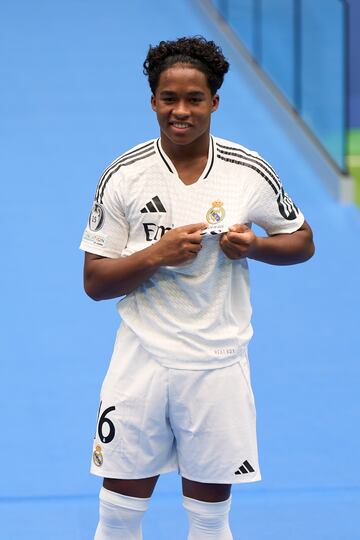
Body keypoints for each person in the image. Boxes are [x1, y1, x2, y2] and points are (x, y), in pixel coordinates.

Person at [80, 36, 314, 540]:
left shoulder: (247, 171)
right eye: (169, 99)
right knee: (118, 514)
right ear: (153, 101)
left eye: (194, 99)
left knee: (209, 521)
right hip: (140, 361)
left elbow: (301, 241)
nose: (180, 111)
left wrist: (255, 247)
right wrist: (156, 254)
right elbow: (95, 282)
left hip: (218, 362)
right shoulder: (123, 176)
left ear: (215, 102)